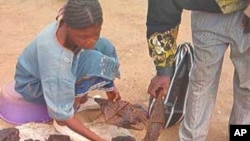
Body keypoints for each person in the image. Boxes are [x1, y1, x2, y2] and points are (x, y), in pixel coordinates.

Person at [14, 0, 120, 140]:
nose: (91, 41)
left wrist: (110, 87)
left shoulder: (69, 16)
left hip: (49, 71)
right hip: (33, 85)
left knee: (105, 47)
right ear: (69, 27)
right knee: (95, 63)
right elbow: (61, 111)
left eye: (96, 33)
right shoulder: (57, 63)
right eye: (84, 37)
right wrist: (99, 139)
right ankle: (64, 119)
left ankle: (80, 99)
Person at [146, 0, 250, 140]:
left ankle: (241, 134)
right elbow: (162, 11)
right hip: (207, 13)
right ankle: (192, 138)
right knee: (201, 82)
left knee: (247, 85)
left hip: (245, 14)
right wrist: (164, 69)